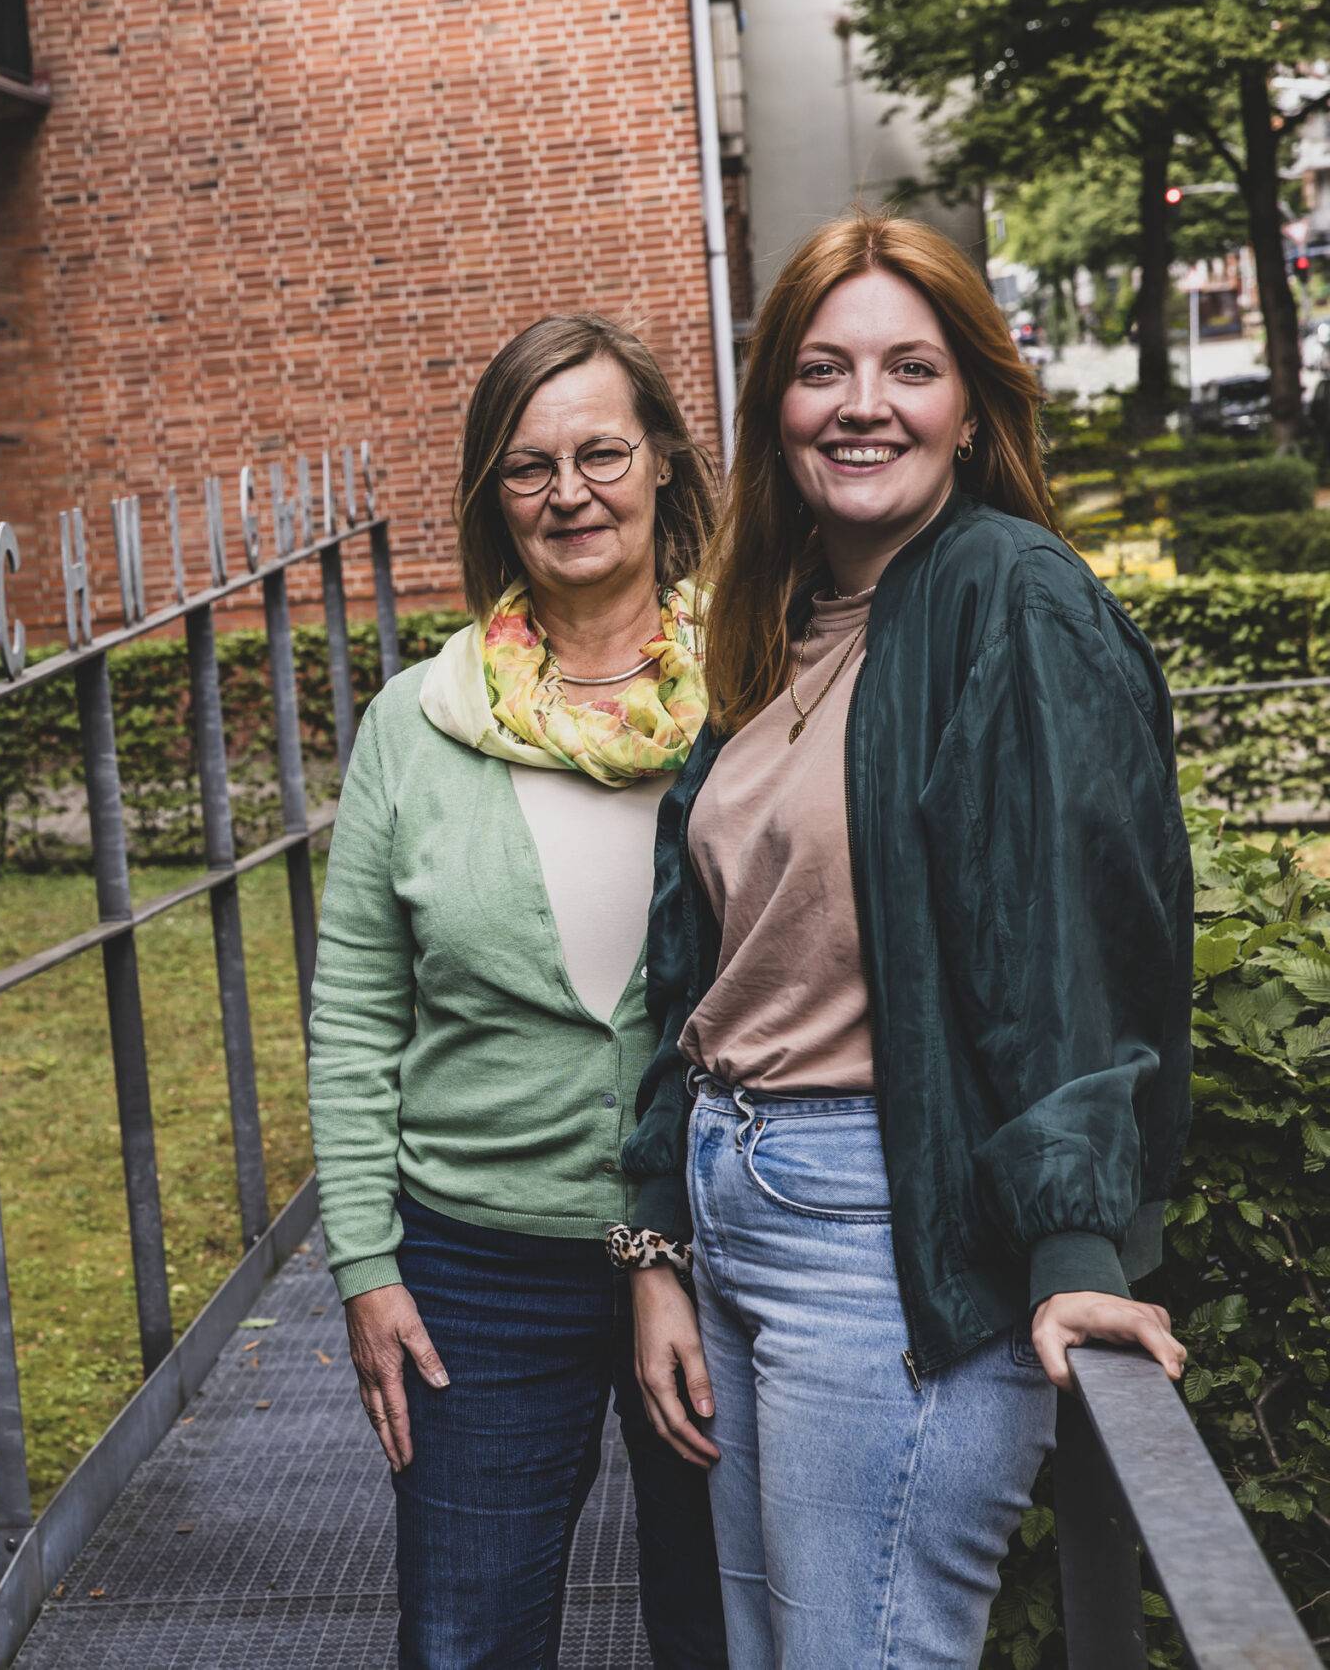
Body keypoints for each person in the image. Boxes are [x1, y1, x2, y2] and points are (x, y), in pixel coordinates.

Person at [616, 213, 1193, 1669]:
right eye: (823, 368)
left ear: (972, 402)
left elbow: (1074, 942)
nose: (863, 403)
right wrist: (661, 1244)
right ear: (776, 408)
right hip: (738, 1204)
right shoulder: (785, 624)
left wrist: (1076, 1247)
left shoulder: (1015, 598)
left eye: (909, 366)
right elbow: (697, 973)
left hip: (879, 1237)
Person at [311, 312, 729, 1670]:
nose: (570, 492)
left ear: (663, 459)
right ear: (495, 496)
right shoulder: (416, 730)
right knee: (468, 1642)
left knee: (727, 1628)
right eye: (529, 465)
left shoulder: (761, 697)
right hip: (475, 1270)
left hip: (727, 1244)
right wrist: (367, 1268)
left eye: (602, 451)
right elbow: (357, 1020)